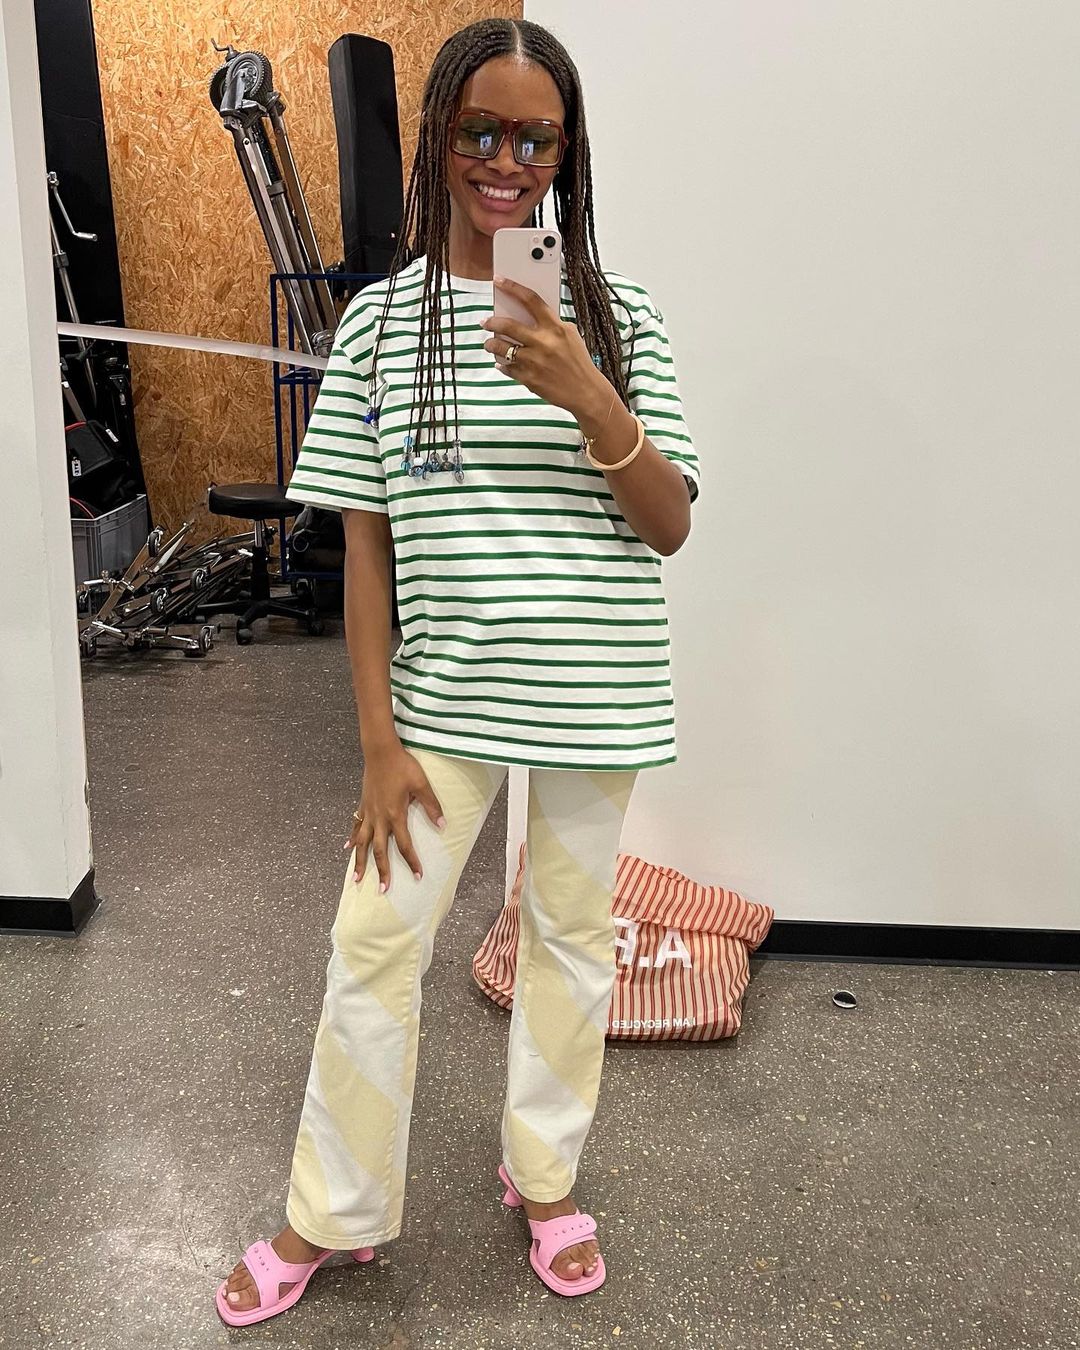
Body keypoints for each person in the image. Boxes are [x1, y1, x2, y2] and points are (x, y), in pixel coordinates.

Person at [217, 16, 698, 1326]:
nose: (507, 161)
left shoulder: (621, 317)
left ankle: (544, 1180)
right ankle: (332, 1211)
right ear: (437, 135)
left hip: (597, 693)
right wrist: (376, 742)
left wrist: (587, 391)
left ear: (566, 152)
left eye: (536, 138)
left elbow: (670, 522)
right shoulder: (380, 327)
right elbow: (365, 551)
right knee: (373, 941)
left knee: (570, 943)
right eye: (480, 130)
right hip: (439, 703)